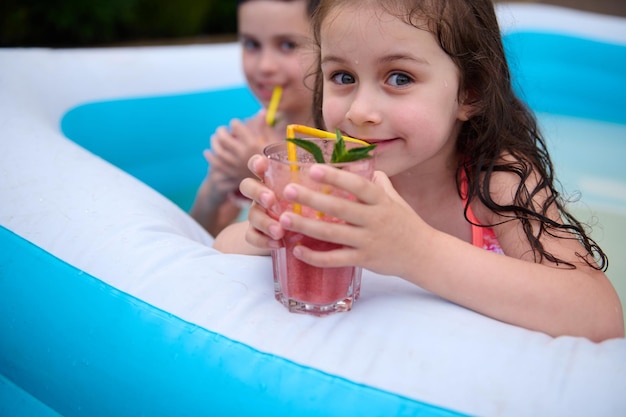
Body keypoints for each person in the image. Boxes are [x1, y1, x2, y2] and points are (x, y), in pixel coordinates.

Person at [213, 0, 624, 342]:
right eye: (343, 76)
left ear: (470, 91)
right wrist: (270, 235)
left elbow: (599, 315)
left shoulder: (495, 181)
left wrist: (415, 251)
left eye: (399, 77)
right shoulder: (331, 177)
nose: (360, 112)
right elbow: (218, 251)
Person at [190, 0, 319, 237]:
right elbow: (201, 237)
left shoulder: (338, 141)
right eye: (252, 44)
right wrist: (212, 192)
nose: (265, 66)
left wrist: (266, 173)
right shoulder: (250, 136)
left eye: (288, 45)